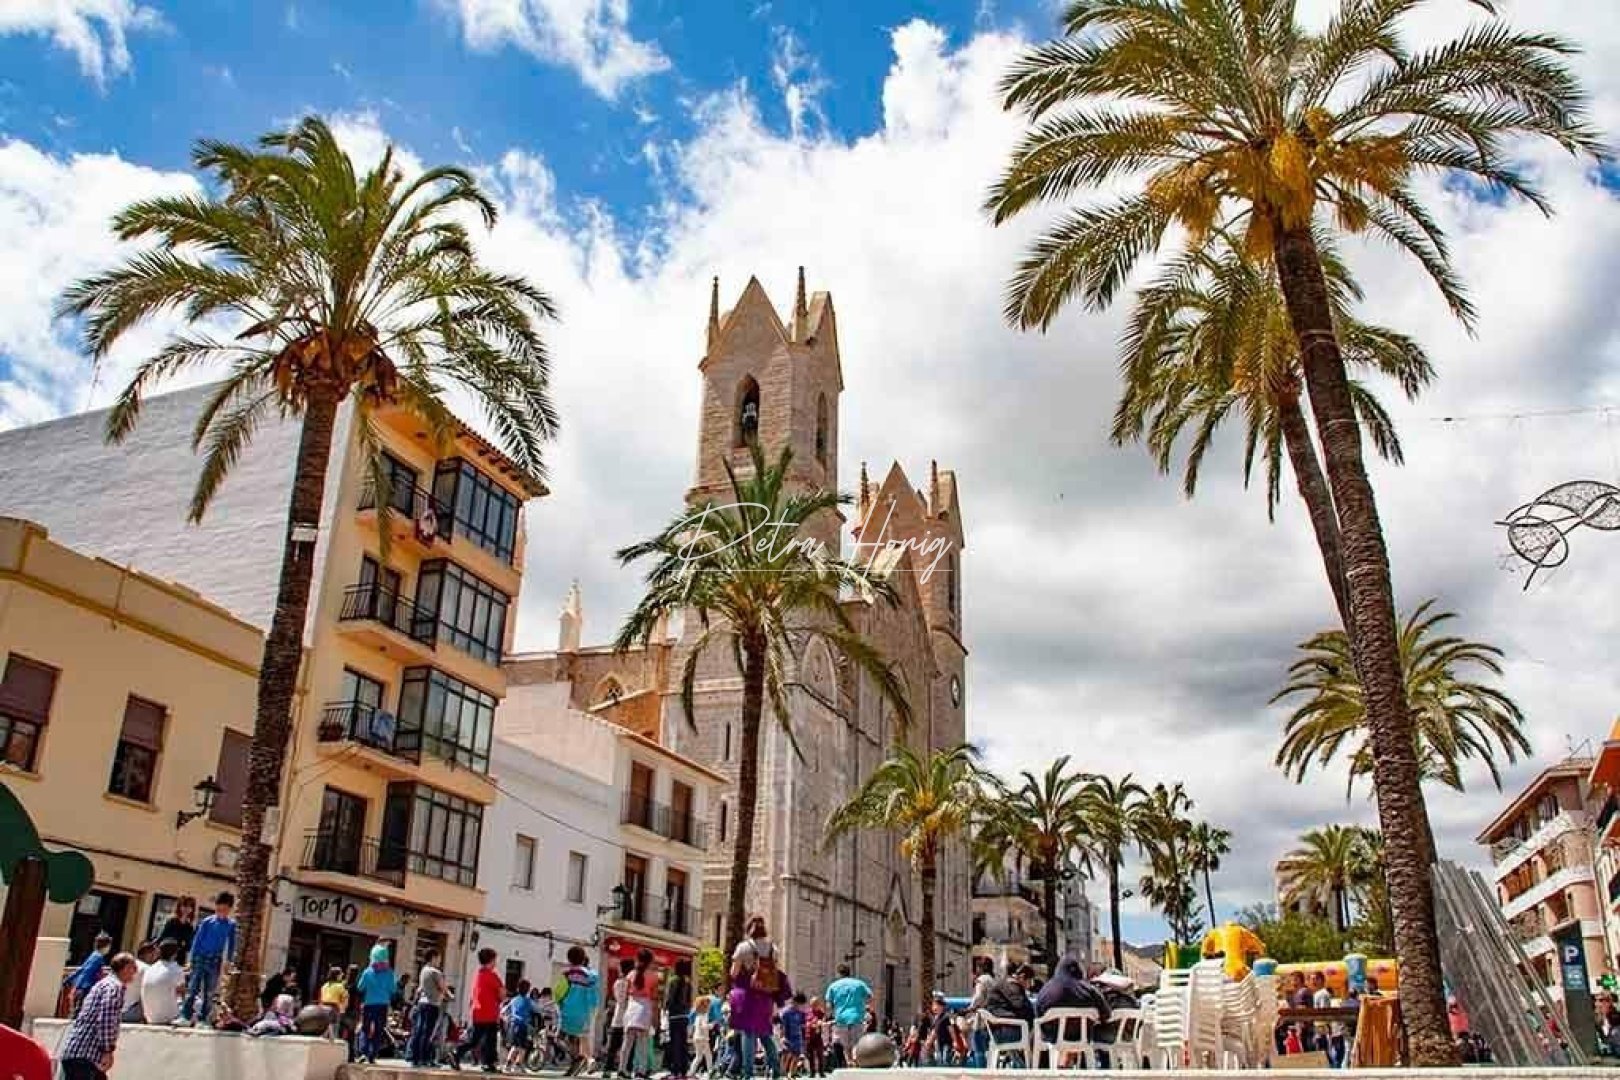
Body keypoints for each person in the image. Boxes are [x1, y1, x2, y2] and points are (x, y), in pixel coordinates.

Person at [55, 951, 139, 1080]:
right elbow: (106, 1019)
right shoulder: (115, 987)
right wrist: (107, 1050)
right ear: (126, 968)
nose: (136, 971)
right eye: (134, 967)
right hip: (86, 1055)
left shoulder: (104, 984)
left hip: (79, 1052)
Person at [730, 917, 790, 1080]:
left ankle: (748, 1073)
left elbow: (734, 973)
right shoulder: (773, 948)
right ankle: (777, 1070)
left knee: (748, 1033)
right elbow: (775, 972)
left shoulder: (743, 947)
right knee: (765, 1033)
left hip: (746, 995)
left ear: (749, 929)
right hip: (765, 996)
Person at [177, 891, 236, 1026]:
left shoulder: (231, 925)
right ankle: (185, 1016)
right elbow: (197, 941)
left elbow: (232, 944)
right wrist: (191, 960)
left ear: (229, 910)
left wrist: (229, 961)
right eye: (219, 909)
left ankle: (203, 1019)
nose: (221, 912)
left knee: (209, 992)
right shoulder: (207, 922)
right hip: (200, 958)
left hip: (215, 960)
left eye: (225, 910)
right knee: (192, 988)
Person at [451, 946, 502, 1072]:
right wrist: (500, 999)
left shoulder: (478, 975)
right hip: (489, 1012)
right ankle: (488, 1063)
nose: (496, 962)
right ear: (491, 960)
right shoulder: (492, 976)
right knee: (490, 1040)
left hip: (478, 1012)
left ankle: (457, 1052)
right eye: (495, 960)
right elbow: (502, 993)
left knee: (475, 1039)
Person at [555, 944, 601, 1076]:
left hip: (567, 1013)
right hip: (584, 1013)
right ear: (583, 959)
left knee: (560, 1038)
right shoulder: (592, 976)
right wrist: (593, 1010)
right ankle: (588, 1060)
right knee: (583, 1037)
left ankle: (576, 1058)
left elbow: (558, 993)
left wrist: (560, 1003)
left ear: (569, 960)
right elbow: (594, 996)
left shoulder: (567, 975)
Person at [985, 964, 1036, 1066]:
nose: (1030, 985)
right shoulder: (1013, 987)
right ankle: (1036, 1067)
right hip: (1007, 1032)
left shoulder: (1003, 984)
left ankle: (1024, 1067)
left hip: (999, 1031)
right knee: (1040, 1034)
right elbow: (1021, 1006)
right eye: (1029, 981)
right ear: (1022, 977)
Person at [823, 963, 873, 1066]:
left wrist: (830, 1015)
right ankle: (854, 1060)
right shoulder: (859, 984)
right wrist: (868, 1010)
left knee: (844, 1044)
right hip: (857, 1017)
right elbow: (870, 997)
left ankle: (848, 1061)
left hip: (841, 1018)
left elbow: (828, 1005)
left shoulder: (833, 986)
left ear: (839, 974)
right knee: (856, 1042)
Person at [356, 942, 398, 1063]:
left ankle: (363, 1052)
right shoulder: (389, 972)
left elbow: (360, 987)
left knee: (365, 1028)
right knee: (379, 1029)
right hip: (383, 1005)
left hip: (369, 1004)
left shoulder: (368, 971)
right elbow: (393, 989)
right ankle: (372, 1055)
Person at [621, 949, 660, 1078]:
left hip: (632, 1006)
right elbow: (654, 998)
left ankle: (622, 1068)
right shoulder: (653, 976)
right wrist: (655, 1018)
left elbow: (625, 995)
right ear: (650, 961)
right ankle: (640, 1071)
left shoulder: (631, 974)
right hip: (645, 1007)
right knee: (642, 1043)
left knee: (627, 1042)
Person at [408, 948, 448, 1066]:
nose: (440, 961)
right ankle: (425, 1058)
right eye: (439, 958)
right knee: (428, 1032)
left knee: (419, 1031)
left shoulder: (423, 971)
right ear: (433, 958)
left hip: (422, 1003)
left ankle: (415, 1058)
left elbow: (420, 988)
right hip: (432, 1004)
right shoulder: (436, 972)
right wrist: (449, 995)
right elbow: (443, 988)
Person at [63, 933, 112, 1017]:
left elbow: (82, 969)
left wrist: (69, 979)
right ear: (107, 946)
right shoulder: (98, 958)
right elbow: (88, 971)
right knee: (82, 1012)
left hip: (81, 987)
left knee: (78, 1011)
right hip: (86, 988)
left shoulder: (93, 955)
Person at [140, 939, 185, 1026]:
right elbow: (182, 993)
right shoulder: (176, 969)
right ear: (175, 954)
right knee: (196, 1004)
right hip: (167, 1018)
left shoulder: (150, 969)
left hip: (150, 1017)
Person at [664, 957, 693, 1079]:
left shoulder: (673, 981)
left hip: (674, 1015)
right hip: (684, 1015)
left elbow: (669, 999)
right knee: (683, 1043)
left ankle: (675, 1070)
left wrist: (666, 1009)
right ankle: (683, 1070)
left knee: (674, 1043)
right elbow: (689, 1001)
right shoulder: (688, 983)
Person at [967, 956, 995, 1067]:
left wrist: (969, 1008)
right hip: (990, 1019)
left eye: (978, 966)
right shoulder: (992, 980)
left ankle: (981, 1073)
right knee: (988, 1049)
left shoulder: (982, 980)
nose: (976, 969)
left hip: (981, 1020)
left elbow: (978, 997)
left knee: (978, 1049)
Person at [121, 942, 157, 1023]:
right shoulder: (147, 969)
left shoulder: (126, 964)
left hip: (118, 1012)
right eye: (153, 954)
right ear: (147, 954)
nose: (154, 957)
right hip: (131, 1013)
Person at [156, 897, 197, 966]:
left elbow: (188, 946)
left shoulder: (189, 926)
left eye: (190, 906)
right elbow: (162, 937)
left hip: (180, 958)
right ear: (180, 906)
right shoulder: (172, 921)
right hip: (167, 955)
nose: (187, 908)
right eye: (185, 905)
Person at [780, 992, 808, 1077]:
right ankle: (783, 1073)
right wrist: (783, 1036)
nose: (801, 1006)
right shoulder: (786, 1012)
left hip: (797, 1037)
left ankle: (792, 1073)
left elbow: (803, 1025)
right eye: (800, 1004)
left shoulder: (800, 1013)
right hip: (788, 1036)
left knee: (796, 1055)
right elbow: (783, 1026)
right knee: (787, 1055)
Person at [319, 966, 351, 1039]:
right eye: (341, 974)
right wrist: (343, 1009)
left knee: (324, 1031)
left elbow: (321, 998)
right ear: (337, 975)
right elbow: (345, 998)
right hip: (334, 1009)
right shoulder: (340, 986)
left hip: (323, 1009)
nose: (342, 976)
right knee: (333, 1031)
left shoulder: (325, 985)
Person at [691, 994, 715, 1077]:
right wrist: (711, 1025)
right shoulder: (704, 1016)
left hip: (696, 1038)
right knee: (708, 1056)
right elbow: (704, 1026)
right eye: (708, 1005)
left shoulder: (698, 1016)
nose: (709, 1007)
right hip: (703, 1038)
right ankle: (710, 1071)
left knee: (698, 1056)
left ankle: (691, 1072)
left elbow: (696, 1026)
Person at [805, 999, 827, 1077]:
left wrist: (819, 1023)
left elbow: (823, 1020)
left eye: (816, 1004)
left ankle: (821, 1072)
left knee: (820, 1054)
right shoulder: (807, 1012)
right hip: (809, 1036)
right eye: (813, 1004)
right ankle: (812, 1072)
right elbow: (805, 1022)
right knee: (810, 1055)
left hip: (818, 1036)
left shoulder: (821, 1012)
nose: (814, 1005)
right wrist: (810, 1024)